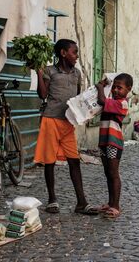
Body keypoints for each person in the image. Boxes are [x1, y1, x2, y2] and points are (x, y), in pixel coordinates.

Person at [34, 39, 97, 215]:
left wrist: (84, 113)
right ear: (63, 53)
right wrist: (39, 74)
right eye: (74, 52)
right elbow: (43, 94)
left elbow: (78, 98)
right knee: (49, 161)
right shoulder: (50, 71)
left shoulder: (77, 73)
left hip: (68, 122)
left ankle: (81, 202)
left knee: (74, 160)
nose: (76, 56)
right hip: (50, 120)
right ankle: (52, 200)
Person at [94, 73, 133, 219]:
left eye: (120, 88)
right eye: (114, 87)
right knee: (108, 173)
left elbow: (101, 99)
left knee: (114, 174)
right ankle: (110, 203)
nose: (116, 90)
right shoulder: (112, 100)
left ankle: (116, 206)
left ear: (128, 89)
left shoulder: (121, 103)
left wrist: (99, 88)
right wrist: (103, 84)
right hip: (104, 141)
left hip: (114, 143)